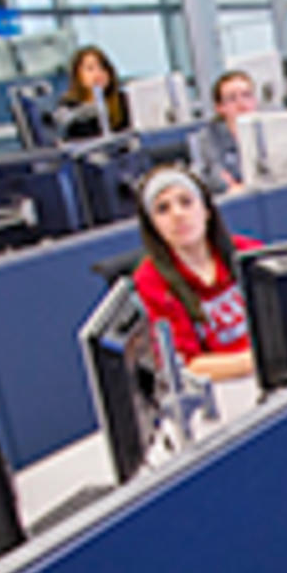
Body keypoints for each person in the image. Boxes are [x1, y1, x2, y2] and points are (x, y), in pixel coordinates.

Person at [132, 166, 259, 383]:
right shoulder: (151, 280)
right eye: (163, 209)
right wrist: (256, 361)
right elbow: (186, 365)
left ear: (207, 210)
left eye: (186, 202)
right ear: (153, 226)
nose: (178, 214)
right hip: (217, 390)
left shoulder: (244, 250)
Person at [57, 45, 131, 139]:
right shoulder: (69, 107)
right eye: (90, 69)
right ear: (78, 76)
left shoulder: (123, 100)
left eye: (102, 67)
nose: (98, 73)